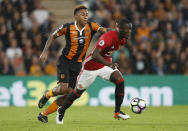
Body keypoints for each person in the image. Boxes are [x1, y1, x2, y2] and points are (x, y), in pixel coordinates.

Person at [37, 5, 110, 123]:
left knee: (69, 94)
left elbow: (105, 30)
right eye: (82, 14)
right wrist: (44, 52)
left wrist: (117, 31)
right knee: (63, 89)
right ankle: (47, 95)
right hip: (65, 61)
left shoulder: (92, 25)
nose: (85, 16)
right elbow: (52, 36)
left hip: (77, 65)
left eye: (87, 14)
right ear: (76, 16)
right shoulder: (67, 27)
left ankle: (44, 114)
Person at [56, 19, 132, 124]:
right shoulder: (107, 38)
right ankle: (61, 110)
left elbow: (107, 52)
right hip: (90, 67)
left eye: (130, 30)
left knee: (120, 80)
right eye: (127, 30)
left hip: (104, 65)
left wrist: (109, 63)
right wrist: (110, 64)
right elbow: (95, 55)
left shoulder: (122, 39)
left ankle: (117, 112)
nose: (129, 32)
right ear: (120, 29)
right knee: (77, 93)